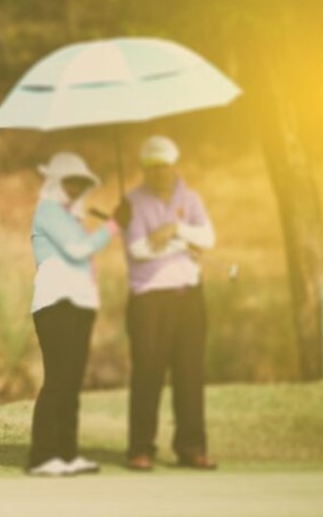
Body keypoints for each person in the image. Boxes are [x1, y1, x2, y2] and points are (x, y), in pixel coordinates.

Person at [122, 135, 217, 471]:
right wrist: (181, 243)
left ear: (175, 165)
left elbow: (207, 238)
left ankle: (191, 447)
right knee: (148, 374)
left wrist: (174, 230)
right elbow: (138, 250)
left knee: (190, 374)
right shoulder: (130, 202)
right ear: (144, 169)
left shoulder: (190, 199)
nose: (160, 172)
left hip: (188, 295)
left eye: (165, 165)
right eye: (153, 166)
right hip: (150, 300)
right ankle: (141, 447)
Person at [27, 152, 122, 476]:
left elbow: (85, 260)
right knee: (57, 379)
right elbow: (79, 250)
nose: (76, 188)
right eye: (71, 181)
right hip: (55, 303)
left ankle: (67, 453)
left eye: (81, 183)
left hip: (79, 305)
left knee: (72, 381)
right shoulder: (48, 211)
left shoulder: (72, 218)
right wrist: (114, 225)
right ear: (55, 181)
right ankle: (43, 455)